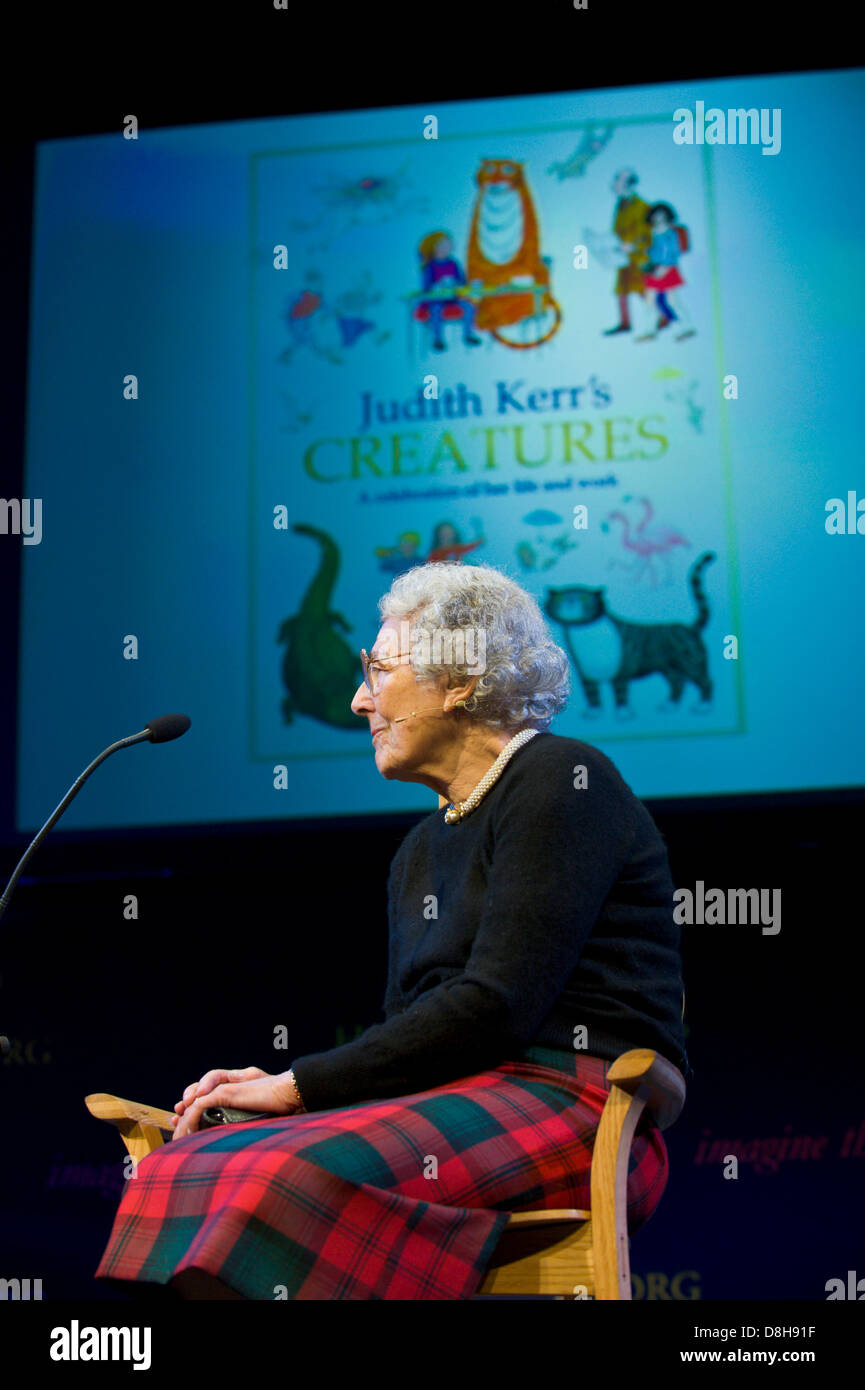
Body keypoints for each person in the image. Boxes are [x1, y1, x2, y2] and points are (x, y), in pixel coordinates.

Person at [95, 562, 689, 1301]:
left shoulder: (561, 777)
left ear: (461, 680)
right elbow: (415, 1031)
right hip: (458, 1099)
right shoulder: (417, 851)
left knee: (273, 1173)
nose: (356, 700)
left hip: (576, 1109)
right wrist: (296, 1089)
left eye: (377, 671)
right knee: (184, 1164)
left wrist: (297, 1086)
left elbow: (496, 1005)